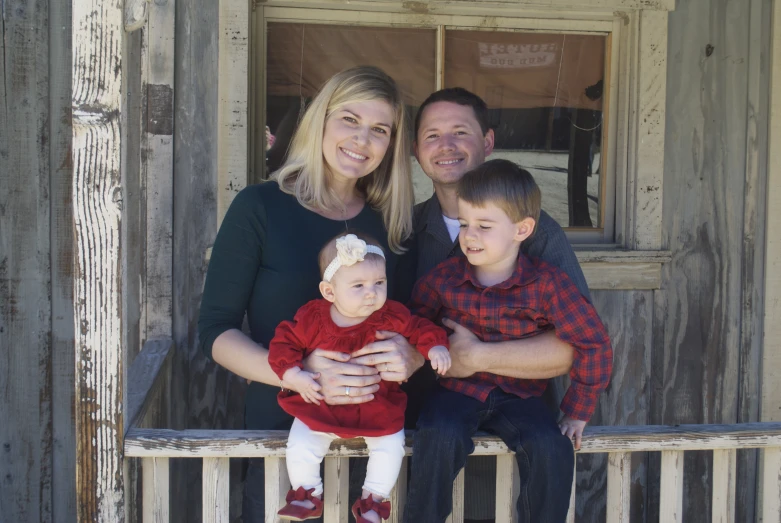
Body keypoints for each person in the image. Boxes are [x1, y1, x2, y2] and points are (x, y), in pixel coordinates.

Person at [198, 65, 421, 523]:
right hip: (283, 436)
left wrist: (412, 356)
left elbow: (413, 323)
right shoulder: (259, 207)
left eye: (380, 129)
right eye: (349, 120)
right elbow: (215, 332)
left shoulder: (391, 222)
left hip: (375, 442)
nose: (362, 140)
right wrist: (296, 372)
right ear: (321, 120)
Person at [408, 87, 588, 521]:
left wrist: (477, 356)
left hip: (522, 403)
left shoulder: (537, 232)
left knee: (544, 456)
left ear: (487, 142)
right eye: (432, 135)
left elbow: (575, 344)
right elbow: (398, 320)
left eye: (460, 132)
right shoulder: (406, 227)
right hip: (427, 418)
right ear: (416, 150)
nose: (445, 145)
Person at [270, 232, 450, 522]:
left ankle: (373, 500)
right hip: (323, 406)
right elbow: (284, 342)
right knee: (301, 440)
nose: (372, 293)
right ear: (330, 292)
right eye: (359, 285)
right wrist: (293, 374)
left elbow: (420, 328)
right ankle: (306, 493)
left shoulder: (391, 315)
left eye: (379, 283)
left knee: (391, 447)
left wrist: (435, 347)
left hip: (377, 405)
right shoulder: (314, 318)